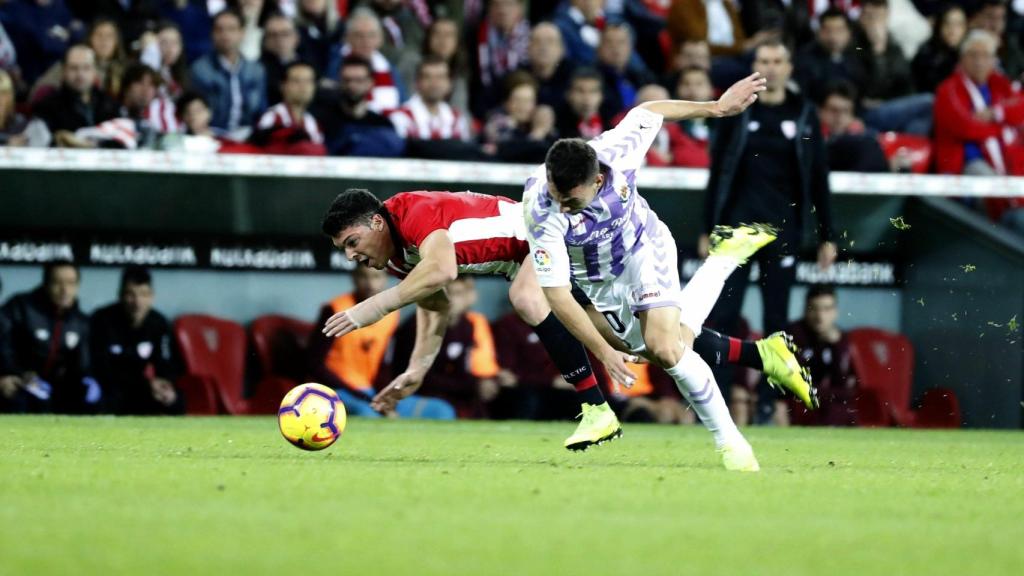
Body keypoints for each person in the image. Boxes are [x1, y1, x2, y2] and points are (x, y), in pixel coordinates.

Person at [319, 184, 813, 452]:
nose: (352, 256)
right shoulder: (396, 257)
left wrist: (370, 308)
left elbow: (442, 269)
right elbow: (434, 301)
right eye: (344, 250)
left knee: (527, 299)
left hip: (546, 234)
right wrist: (418, 369)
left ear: (377, 221)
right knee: (650, 344)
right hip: (528, 256)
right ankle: (763, 354)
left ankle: (597, 409)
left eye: (353, 243)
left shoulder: (413, 212)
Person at [522, 70, 816, 470]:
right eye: (556, 195)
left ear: (598, 179)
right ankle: (725, 267)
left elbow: (649, 110)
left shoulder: (617, 151)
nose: (561, 206)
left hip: (645, 248)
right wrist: (605, 351)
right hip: (600, 281)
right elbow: (556, 294)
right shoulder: (540, 208)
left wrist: (715, 108)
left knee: (665, 346)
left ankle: (732, 445)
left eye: (570, 202)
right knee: (663, 347)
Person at [703, 41, 835, 425]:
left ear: (789, 67)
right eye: (764, 61)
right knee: (723, 316)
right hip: (736, 231)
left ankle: (765, 405)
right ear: (754, 66)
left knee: (777, 321)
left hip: (783, 232)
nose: (772, 68)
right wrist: (707, 227)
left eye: (778, 61)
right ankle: (716, 401)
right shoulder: (738, 110)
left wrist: (827, 234)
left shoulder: (804, 113)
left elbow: (818, 176)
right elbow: (718, 171)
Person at [306, 265, 454, 419]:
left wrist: (386, 396)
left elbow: (383, 364)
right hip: (337, 390)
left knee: (441, 410)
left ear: (385, 279)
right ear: (354, 279)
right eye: (364, 276)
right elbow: (314, 364)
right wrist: (363, 397)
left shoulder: (391, 315)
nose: (370, 283)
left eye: (376, 277)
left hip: (370, 391)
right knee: (368, 414)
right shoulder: (335, 309)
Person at [391, 276, 500, 418]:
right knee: (443, 411)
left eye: (458, 294)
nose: (451, 299)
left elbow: (461, 369)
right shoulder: (418, 326)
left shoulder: (467, 326)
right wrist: (471, 386)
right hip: (414, 395)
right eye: (446, 292)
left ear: (466, 297)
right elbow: (422, 378)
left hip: (451, 394)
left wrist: (482, 384)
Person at [0, 261, 99, 414]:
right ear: (46, 284)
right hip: (20, 380)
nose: (64, 290)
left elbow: (82, 364)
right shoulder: (20, 307)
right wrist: (9, 374)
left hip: (56, 388)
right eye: (57, 283)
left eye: (71, 283)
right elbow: (4, 346)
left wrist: (88, 379)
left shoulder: (81, 322)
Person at [90, 267, 184, 416]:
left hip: (142, 388)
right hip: (110, 385)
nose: (137, 302)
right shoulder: (101, 320)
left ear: (152, 297)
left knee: (175, 400)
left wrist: (163, 384)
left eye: (143, 294)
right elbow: (100, 367)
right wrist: (144, 383)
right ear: (120, 295)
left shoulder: (159, 324)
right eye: (131, 294)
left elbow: (165, 364)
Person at [934, 29, 1024, 177]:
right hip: (966, 163)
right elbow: (966, 127)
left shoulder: (999, 83)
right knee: (989, 180)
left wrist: (996, 113)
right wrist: (1003, 127)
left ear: (994, 60)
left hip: (1006, 156)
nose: (979, 62)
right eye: (973, 55)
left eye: (985, 55)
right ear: (962, 58)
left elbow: (1021, 107)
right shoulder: (948, 89)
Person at [786, 285, 858, 426]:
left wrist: (836, 346)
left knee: (843, 408)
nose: (820, 316)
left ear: (835, 312)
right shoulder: (793, 335)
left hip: (829, 402)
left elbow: (844, 383)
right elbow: (795, 382)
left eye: (827, 309)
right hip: (799, 402)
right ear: (805, 310)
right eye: (815, 309)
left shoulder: (840, 338)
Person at [189, 8, 267, 134]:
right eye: (219, 30)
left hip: (249, 135)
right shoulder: (199, 70)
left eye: (231, 29)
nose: (225, 35)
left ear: (242, 33)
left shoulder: (256, 70)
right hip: (212, 134)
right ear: (212, 34)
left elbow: (261, 111)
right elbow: (196, 113)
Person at [312, 55, 404, 157]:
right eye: (347, 80)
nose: (352, 85)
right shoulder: (322, 121)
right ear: (339, 81)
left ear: (371, 83)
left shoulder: (382, 123)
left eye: (359, 80)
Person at [388, 56, 475, 158]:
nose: (434, 83)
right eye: (427, 77)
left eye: (440, 77)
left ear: (449, 83)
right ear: (417, 83)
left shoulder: (456, 118)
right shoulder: (400, 117)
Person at [33, 44, 118, 148]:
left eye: (86, 68)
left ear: (94, 71)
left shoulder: (110, 104)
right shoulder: (47, 107)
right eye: (74, 68)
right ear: (64, 71)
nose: (80, 74)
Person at [323, 7, 402, 112]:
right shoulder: (332, 62)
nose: (366, 41)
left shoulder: (390, 69)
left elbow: (402, 104)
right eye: (359, 35)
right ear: (347, 37)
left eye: (371, 35)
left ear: (380, 39)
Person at [471, 0, 530, 118]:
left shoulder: (531, 37)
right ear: (489, 9)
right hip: (484, 107)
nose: (502, 10)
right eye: (497, 4)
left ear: (520, 8)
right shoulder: (475, 37)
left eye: (509, 4)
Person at [480, 71, 556, 163]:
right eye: (517, 100)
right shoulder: (497, 123)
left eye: (528, 101)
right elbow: (509, 151)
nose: (523, 106)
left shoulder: (535, 121)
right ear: (506, 102)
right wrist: (537, 135)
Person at [252, 61, 325, 155]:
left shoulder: (313, 123)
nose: (303, 87)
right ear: (283, 86)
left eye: (308, 81)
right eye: (296, 81)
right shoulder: (272, 117)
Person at [818, 81, 889, 172]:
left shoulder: (866, 139)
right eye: (833, 110)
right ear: (820, 112)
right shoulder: (809, 137)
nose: (839, 117)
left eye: (846, 111)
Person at [595, 23, 655, 122]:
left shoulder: (642, 77)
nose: (615, 47)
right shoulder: (592, 79)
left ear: (630, 48)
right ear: (599, 47)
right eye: (609, 42)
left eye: (621, 42)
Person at [911, 4, 967, 94]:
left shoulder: (969, 52)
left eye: (958, 24)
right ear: (939, 25)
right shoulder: (926, 55)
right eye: (948, 23)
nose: (952, 30)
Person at [518, 22, 574, 111]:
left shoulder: (574, 77)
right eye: (537, 41)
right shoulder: (518, 78)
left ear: (561, 49)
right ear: (528, 48)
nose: (543, 47)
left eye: (550, 41)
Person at [260, 12, 301, 106]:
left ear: (296, 37)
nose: (279, 39)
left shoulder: (309, 64)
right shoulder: (258, 69)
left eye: (285, 34)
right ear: (265, 40)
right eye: (273, 35)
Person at [555, 67, 605, 140]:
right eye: (580, 91)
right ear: (568, 95)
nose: (587, 97)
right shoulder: (557, 127)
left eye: (593, 91)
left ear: (601, 96)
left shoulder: (613, 125)